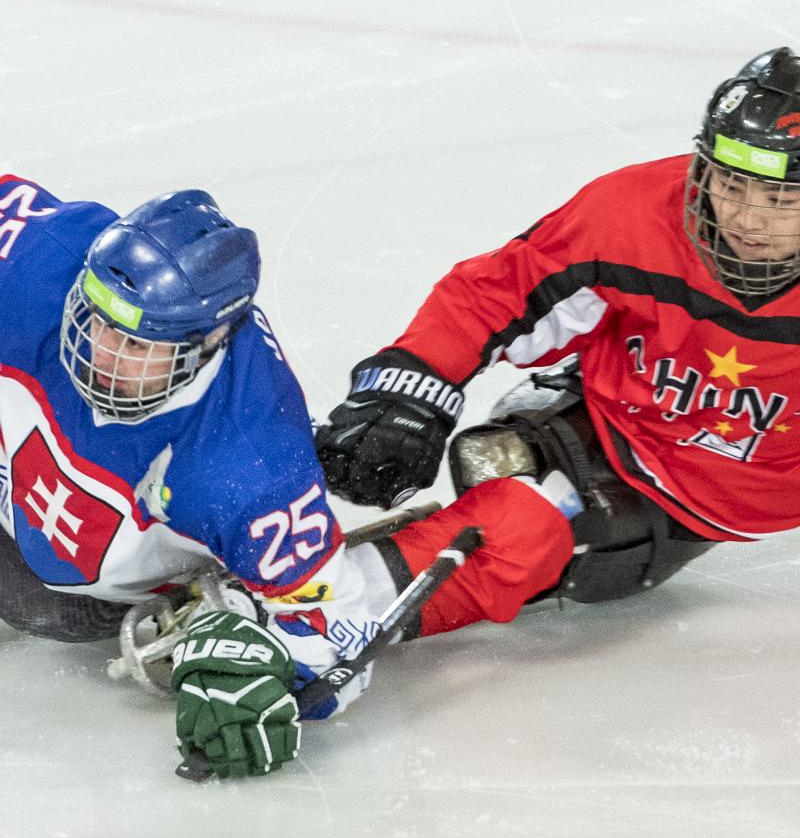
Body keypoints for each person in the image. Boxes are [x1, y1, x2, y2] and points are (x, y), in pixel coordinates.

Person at [0, 175, 562, 779]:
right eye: (98, 322)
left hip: (80, 592)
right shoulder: (41, 253)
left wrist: (264, 680)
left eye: (139, 346)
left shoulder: (250, 465)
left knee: (45, 602)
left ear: (208, 341)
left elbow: (336, 642)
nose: (101, 354)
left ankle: (223, 599)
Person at [315, 46, 800, 628]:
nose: (745, 219)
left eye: (780, 199)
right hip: (609, 416)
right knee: (493, 470)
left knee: (523, 534)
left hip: (717, 495)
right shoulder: (634, 212)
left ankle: (319, 617)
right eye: (729, 184)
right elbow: (503, 289)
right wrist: (410, 386)